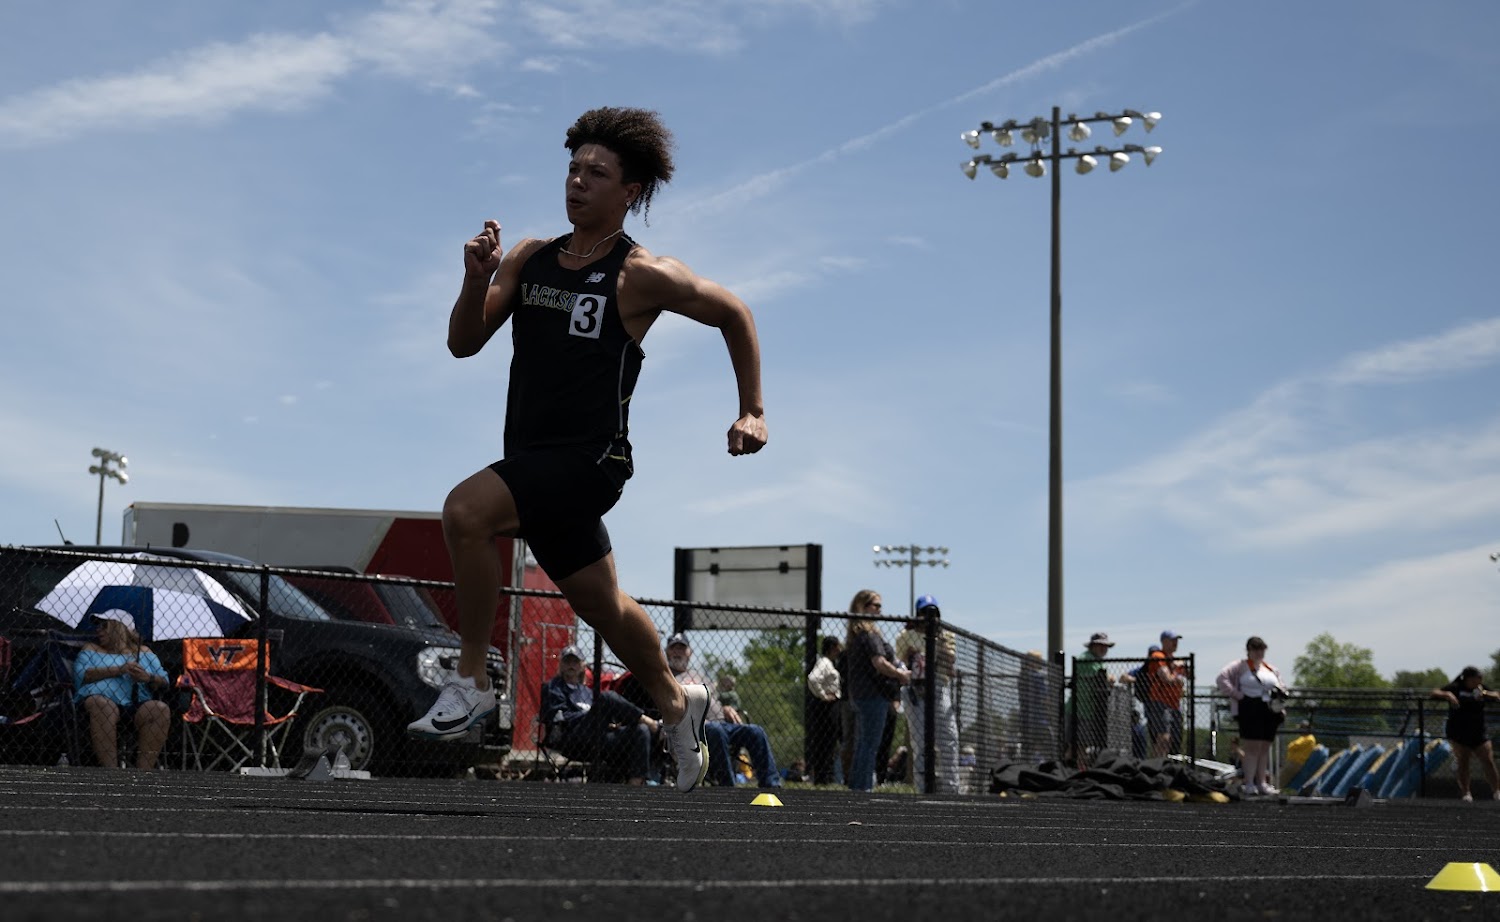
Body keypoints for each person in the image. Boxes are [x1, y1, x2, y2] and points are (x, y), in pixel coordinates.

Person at [406, 107, 768, 794]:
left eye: (596, 174)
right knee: (602, 605)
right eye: (573, 169)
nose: (577, 181)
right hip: (532, 460)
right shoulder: (530, 258)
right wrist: (475, 278)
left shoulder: (642, 274)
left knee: (464, 512)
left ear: (630, 191)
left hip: (592, 461)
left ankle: (472, 680)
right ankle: (676, 702)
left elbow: (734, 313)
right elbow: (463, 343)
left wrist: (752, 409)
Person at [664, 634, 782, 790]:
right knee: (715, 730)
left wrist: (725, 708)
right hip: (692, 728)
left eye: (682, 648)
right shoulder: (666, 677)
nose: (678, 652)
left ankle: (771, 786)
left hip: (721, 724)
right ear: (666, 652)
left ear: (690, 653)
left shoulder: (700, 676)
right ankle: (728, 787)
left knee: (756, 731)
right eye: (674, 648)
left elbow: (715, 701)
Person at [539, 646, 657, 784]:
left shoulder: (587, 692)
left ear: (583, 666)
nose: (571, 665)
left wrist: (608, 723)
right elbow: (560, 717)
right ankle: (651, 723)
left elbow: (598, 715)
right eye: (567, 661)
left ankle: (635, 787)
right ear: (561, 665)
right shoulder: (553, 687)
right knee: (607, 697)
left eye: (575, 661)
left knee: (640, 730)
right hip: (572, 738)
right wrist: (590, 715)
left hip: (597, 738)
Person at [72, 610, 171, 770]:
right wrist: (119, 670)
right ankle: (112, 774)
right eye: (97, 625)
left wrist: (148, 677)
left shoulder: (143, 652)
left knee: (160, 709)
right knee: (102, 705)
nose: (98, 630)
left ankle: (142, 774)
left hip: (135, 705)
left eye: (104, 625)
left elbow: (164, 680)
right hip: (96, 705)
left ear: (119, 628)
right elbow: (81, 675)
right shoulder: (91, 649)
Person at [893, 594, 960, 794]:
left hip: (938, 685)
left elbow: (950, 660)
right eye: (923, 613)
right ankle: (923, 789)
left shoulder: (946, 634)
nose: (928, 617)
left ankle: (951, 789)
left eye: (933, 613)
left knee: (948, 739)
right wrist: (911, 654)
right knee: (920, 743)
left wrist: (938, 639)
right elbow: (901, 663)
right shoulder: (905, 635)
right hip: (914, 688)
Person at [844, 593, 909, 792]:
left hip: (861, 695)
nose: (880, 610)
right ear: (862, 607)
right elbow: (879, 662)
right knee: (870, 744)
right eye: (876, 605)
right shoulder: (869, 635)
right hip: (872, 695)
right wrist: (900, 674)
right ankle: (863, 788)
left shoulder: (858, 635)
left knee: (863, 743)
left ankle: (857, 787)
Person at [1215, 636, 1287, 796]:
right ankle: (1249, 782)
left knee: (1264, 748)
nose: (1259, 652)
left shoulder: (1270, 668)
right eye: (1255, 649)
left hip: (1269, 710)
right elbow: (1221, 679)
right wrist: (1237, 695)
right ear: (1249, 650)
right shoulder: (1240, 666)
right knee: (1252, 747)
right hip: (1250, 708)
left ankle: (1262, 783)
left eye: (1261, 649)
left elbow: (1281, 684)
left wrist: (1280, 695)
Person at [1430, 665, 1500, 802]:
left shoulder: (1481, 688)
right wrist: (1448, 695)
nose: (1478, 681)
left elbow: (1497, 695)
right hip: (1458, 731)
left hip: (1478, 732)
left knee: (1487, 760)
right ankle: (1466, 793)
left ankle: (1497, 791)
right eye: (1476, 679)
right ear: (1468, 679)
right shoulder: (1456, 687)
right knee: (1463, 761)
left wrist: (1485, 693)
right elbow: (1434, 692)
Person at [1067, 632, 1117, 764]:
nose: (1104, 648)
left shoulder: (1096, 660)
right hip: (1080, 710)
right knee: (1079, 747)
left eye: (1106, 646)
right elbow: (1103, 677)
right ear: (1092, 646)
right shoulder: (1086, 658)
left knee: (1079, 747)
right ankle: (1076, 771)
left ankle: (1074, 770)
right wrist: (1109, 679)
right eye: (1100, 645)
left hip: (1088, 711)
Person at [1144, 630, 1189, 758]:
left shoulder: (1174, 659)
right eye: (1172, 640)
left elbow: (1190, 676)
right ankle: (1157, 765)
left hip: (1175, 704)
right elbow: (1167, 678)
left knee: (1174, 740)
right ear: (1164, 641)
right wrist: (1176, 670)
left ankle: (1166, 764)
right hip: (1160, 702)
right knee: (1163, 737)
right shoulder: (1158, 656)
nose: (1175, 643)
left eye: (1177, 640)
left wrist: (1184, 665)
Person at [805, 635, 842, 785]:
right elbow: (813, 678)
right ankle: (823, 777)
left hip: (826, 704)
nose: (839, 649)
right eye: (838, 646)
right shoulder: (825, 662)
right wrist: (823, 695)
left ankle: (823, 776)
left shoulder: (828, 663)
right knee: (826, 741)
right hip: (827, 706)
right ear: (832, 647)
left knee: (825, 741)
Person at [1019, 650, 1056, 763]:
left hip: (1025, 719)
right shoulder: (1038, 677)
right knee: (1050, 746)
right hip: (1039, 719)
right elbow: (1044, 698)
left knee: (1028, 748)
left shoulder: (1022, 677)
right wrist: (1050, 709)